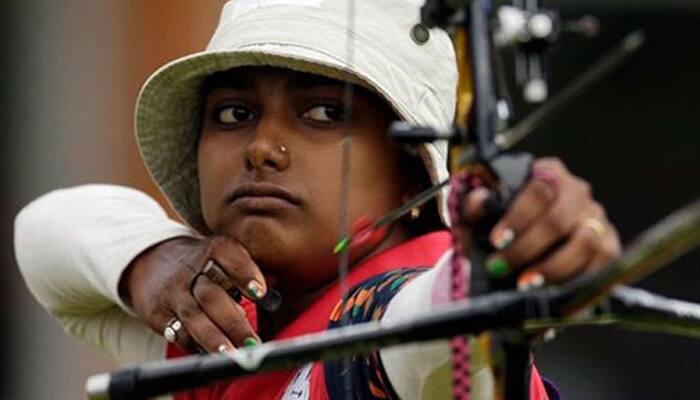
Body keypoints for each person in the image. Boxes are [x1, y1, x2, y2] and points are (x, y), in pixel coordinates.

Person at [14, 1, 621, 399]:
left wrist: (498, 261)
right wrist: (156, 258)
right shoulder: (213, 314)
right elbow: (44, 231)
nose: (262, 148)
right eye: (234, 113)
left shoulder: (400, 311)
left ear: (413, 172)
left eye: (325, 113)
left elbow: (427, 330)